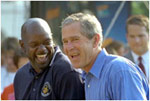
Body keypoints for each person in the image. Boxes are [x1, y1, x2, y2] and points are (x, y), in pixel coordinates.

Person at [61, 12, 149, 100]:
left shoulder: (119, 71)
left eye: (75, 39)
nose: (69, 47)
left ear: (95, 40)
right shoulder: (88, 77)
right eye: (65, 42)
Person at [14, 18, 85, 100]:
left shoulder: (66, 71)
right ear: (23, 46)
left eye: (47, 42)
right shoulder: (21, 75)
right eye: (34, 45)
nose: (42, 49)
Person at [124, 15, 149, 80]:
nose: (137, 41)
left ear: (148, 35)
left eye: (141, 36)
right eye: (132, 36)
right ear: (127, 37)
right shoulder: (122, 63)